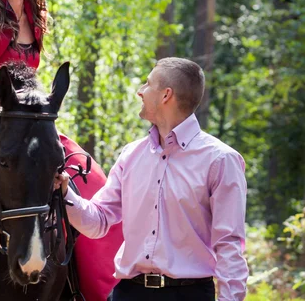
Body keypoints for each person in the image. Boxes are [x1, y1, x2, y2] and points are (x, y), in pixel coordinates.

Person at [0, 0, 124, 300]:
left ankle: (90, 287)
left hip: (36, 123)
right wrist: (3, 120)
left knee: (91, 178)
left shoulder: (35, 12)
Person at [54, 57, 249, 301]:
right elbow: (99, 221)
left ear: (166, 95)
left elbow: (229, 244)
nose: (140, 91)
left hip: (189, 295)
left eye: (147, 84)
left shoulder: (221, 161)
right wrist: (64, 192)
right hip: (128, 293)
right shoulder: (131, 155)